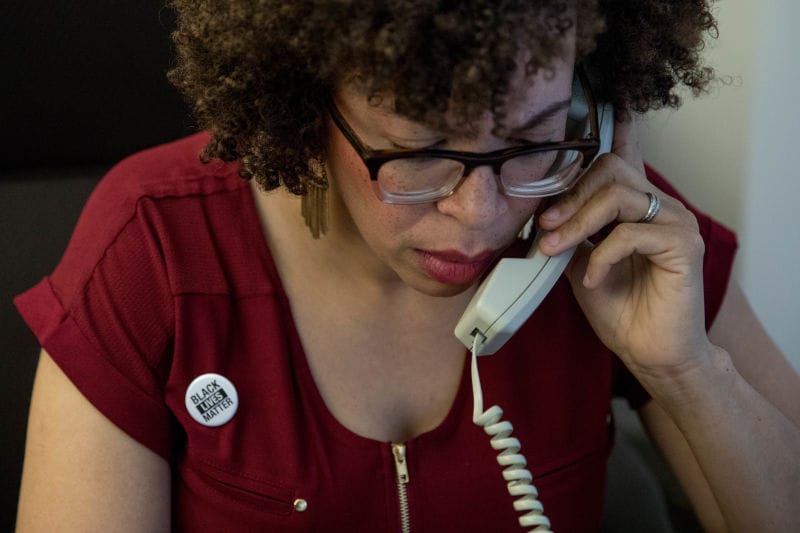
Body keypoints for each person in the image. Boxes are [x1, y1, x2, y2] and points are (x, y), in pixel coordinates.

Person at [13, 1, 800, 531]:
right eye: (419, 152)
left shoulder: (614, 228)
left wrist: (690, 373)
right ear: (304, 96)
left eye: (531, 137)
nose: (483, 212)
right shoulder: (153, 243)